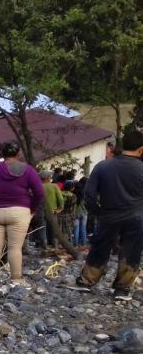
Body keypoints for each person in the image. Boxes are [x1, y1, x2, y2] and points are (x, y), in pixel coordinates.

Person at [73, 129, 143, 301]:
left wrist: (97, 212)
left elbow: (89, 194)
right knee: (131, 252)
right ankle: (122, 289)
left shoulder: (103, 166)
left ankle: (87, 282)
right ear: (141, 149)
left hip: (108, 215)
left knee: (100, 248)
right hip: (136, 217)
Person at [0, 142, 45, 286]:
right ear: (18, 153)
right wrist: (32, 208)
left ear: (2, 153)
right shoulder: (29, 170)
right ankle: (16, 279)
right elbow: (39, 192)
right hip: (20, 212)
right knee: (15, 247)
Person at [40, 170, 65, 248]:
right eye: (50, 177)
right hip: (52, 211)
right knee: (54, 228)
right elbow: (60, 198)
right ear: (47, 178)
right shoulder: (54, 186)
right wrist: (60, 208)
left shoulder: (38, 186)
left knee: (43, 228)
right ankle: (55, 245)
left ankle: (44, 245)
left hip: (41, 211)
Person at [73, 177, 88, 246]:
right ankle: (83, 244)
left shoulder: (75, 192)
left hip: (76, 212)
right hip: (84, 212)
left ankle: (75, 244)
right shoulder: (87, 192)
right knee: (83, 228)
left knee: (76, 229)